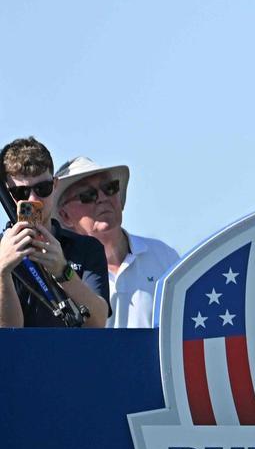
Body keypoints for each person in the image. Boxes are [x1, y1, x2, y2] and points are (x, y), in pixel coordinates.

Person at [53, 156, 180, 328]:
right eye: (87, 195)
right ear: (64, 216)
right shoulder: (58, 269)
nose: (102, 198)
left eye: (109, 188)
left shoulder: (163, 256)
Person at [0, 137, 108, 328]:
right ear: (7, 194)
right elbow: (8, 334)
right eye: (21, 193)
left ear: (55, 185)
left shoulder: (87, 248)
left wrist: (63, 271)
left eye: (43, 188)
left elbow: (98, 322)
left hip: (70, 356)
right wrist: (2, 272)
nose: (34, 200)